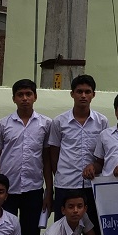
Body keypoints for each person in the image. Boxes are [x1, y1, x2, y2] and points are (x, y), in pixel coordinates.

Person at [0, 78, 52, 235]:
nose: (24, 98)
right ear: (14, 98)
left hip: (33, 189)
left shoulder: (45, 124)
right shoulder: (2, 124)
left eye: (28, 94)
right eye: (20, 95)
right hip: (7, 191)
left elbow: (47, 160)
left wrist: (49, 191)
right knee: (4, 234)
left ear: (35, 97)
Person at [48, 74, 109, 215]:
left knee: (92, 228)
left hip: (92, 184)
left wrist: (94, 167)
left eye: (87, 92)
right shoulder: (59, 122)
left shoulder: (102, 122)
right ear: (72, 94)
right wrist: (60, 173)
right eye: (79, 91)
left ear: (93, 94)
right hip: (65, 183)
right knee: (63, 228)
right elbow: (54, 153)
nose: (83, 95)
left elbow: (104, 153)